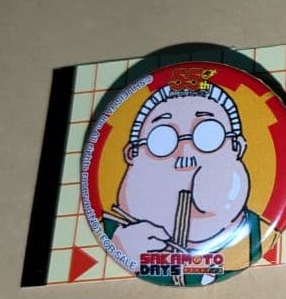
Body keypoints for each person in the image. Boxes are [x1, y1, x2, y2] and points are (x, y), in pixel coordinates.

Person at [104, 78, 273, 285]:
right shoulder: (113, 236)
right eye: (161, 140)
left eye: (209, 136)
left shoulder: (260, 236)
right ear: (132, 154)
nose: (186, 155)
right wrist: (122, 250)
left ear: (237, 147)